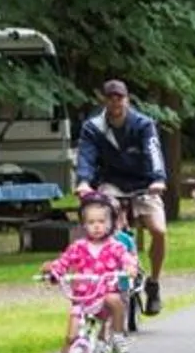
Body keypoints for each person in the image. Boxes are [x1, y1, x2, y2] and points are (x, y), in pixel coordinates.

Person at [72, 77, 170, 311]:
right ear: (104, 101)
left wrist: (158, 178)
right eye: (111, 98)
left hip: (144, 183)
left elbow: (153, 151)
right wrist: (84, 182)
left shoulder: (143, 124)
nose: (116, 103)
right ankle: (113, 277)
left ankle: (154, 283)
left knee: (158, 231)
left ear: (127, 99)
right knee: (110, 228)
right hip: (111, 183)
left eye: (120, 98)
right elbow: (86, 156)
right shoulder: (94, 128)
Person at [41, 195, 136, 353]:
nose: (97, 226)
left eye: (101, 222)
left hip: (104, 297)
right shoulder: (78, 247)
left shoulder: (115, 247)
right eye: (91, 222)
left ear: (111, 223)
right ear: (83, 225)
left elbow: (127, 259)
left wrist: (129, 268)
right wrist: (52, 272)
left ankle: (118, 336)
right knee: (70, 338)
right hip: (81, 300)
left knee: (114, 299)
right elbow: (62, 263)